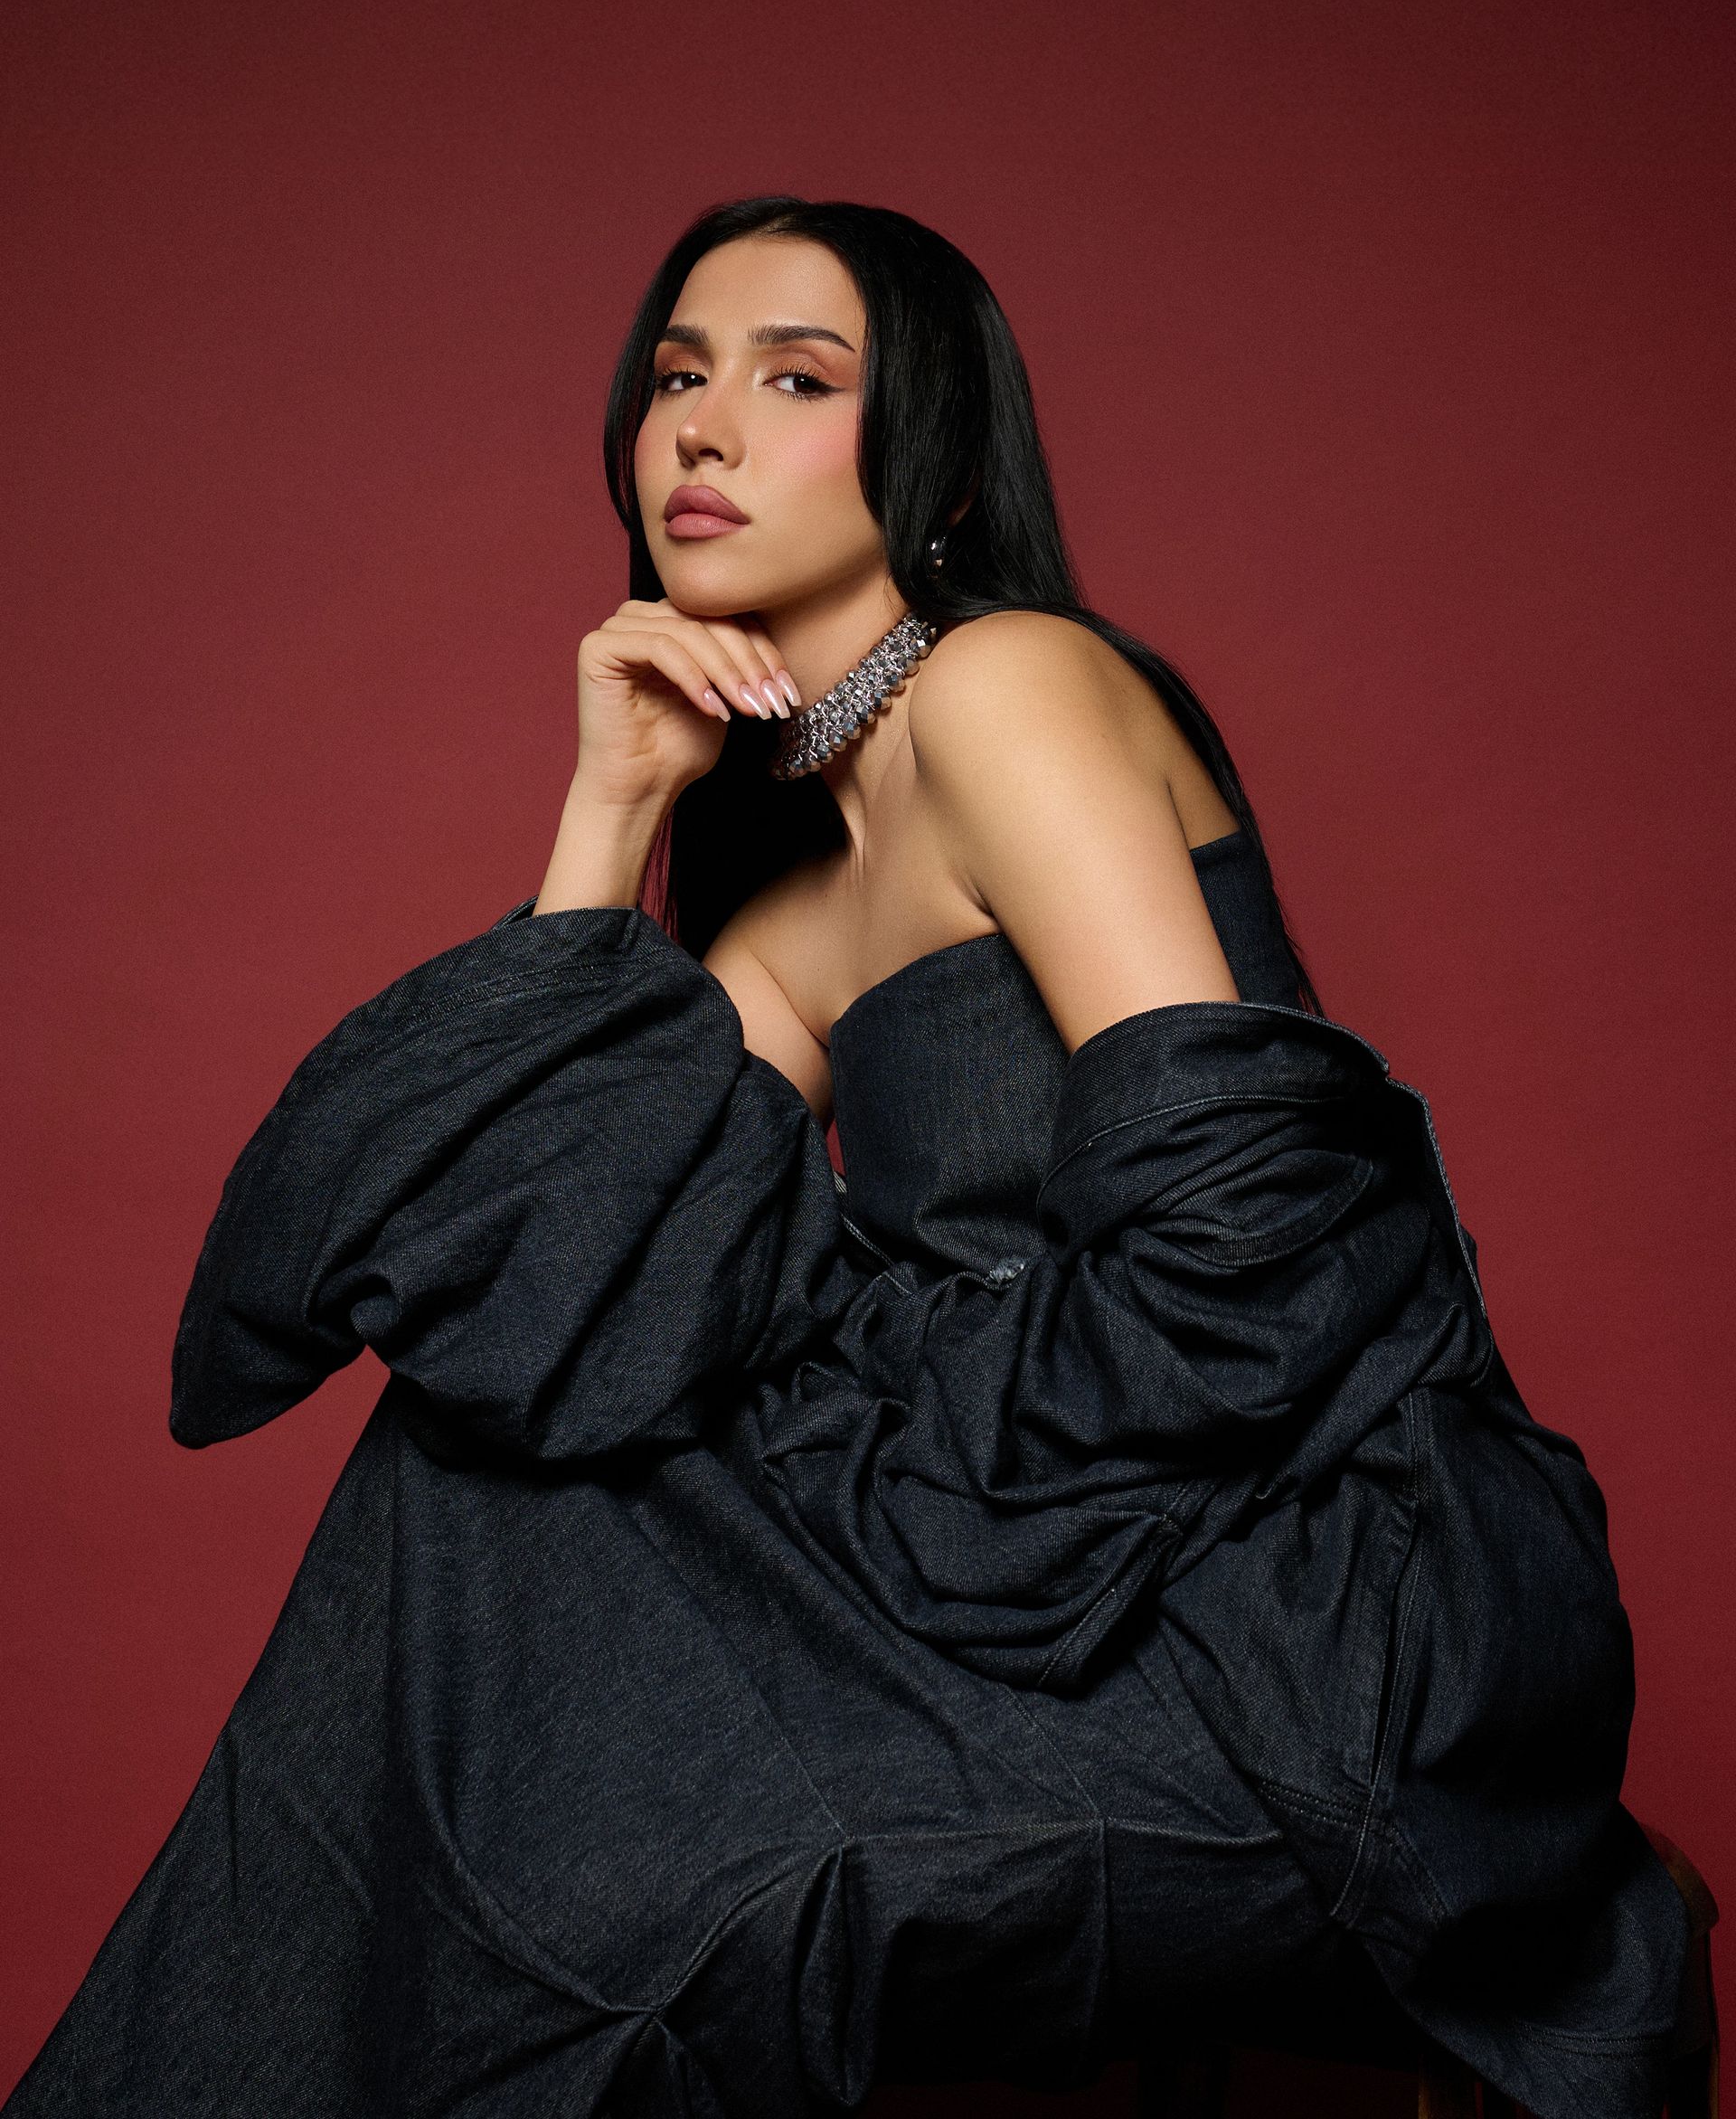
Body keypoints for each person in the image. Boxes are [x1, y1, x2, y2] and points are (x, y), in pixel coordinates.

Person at [4, 198, 1687, 2119]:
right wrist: (606, 809)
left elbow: (1244, 1256)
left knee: (675, 1889)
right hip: (1035, 1566)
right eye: (677, 376)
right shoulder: (799, 890)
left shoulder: (1007, 689)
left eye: (796, 379)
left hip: (1307, 1617)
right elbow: (526, 1289)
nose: (703, 427)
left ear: (939, 465)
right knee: (474, 1466)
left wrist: (885, 1487)